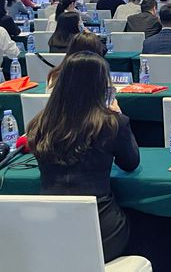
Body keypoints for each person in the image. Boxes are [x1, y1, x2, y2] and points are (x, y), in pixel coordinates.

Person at [27, 52, 139, 263]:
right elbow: (130, 163)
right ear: (100, 85)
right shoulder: (111, 122)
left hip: (49, 232)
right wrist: (119, 114)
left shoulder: (39, 123)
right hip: (103, 233)